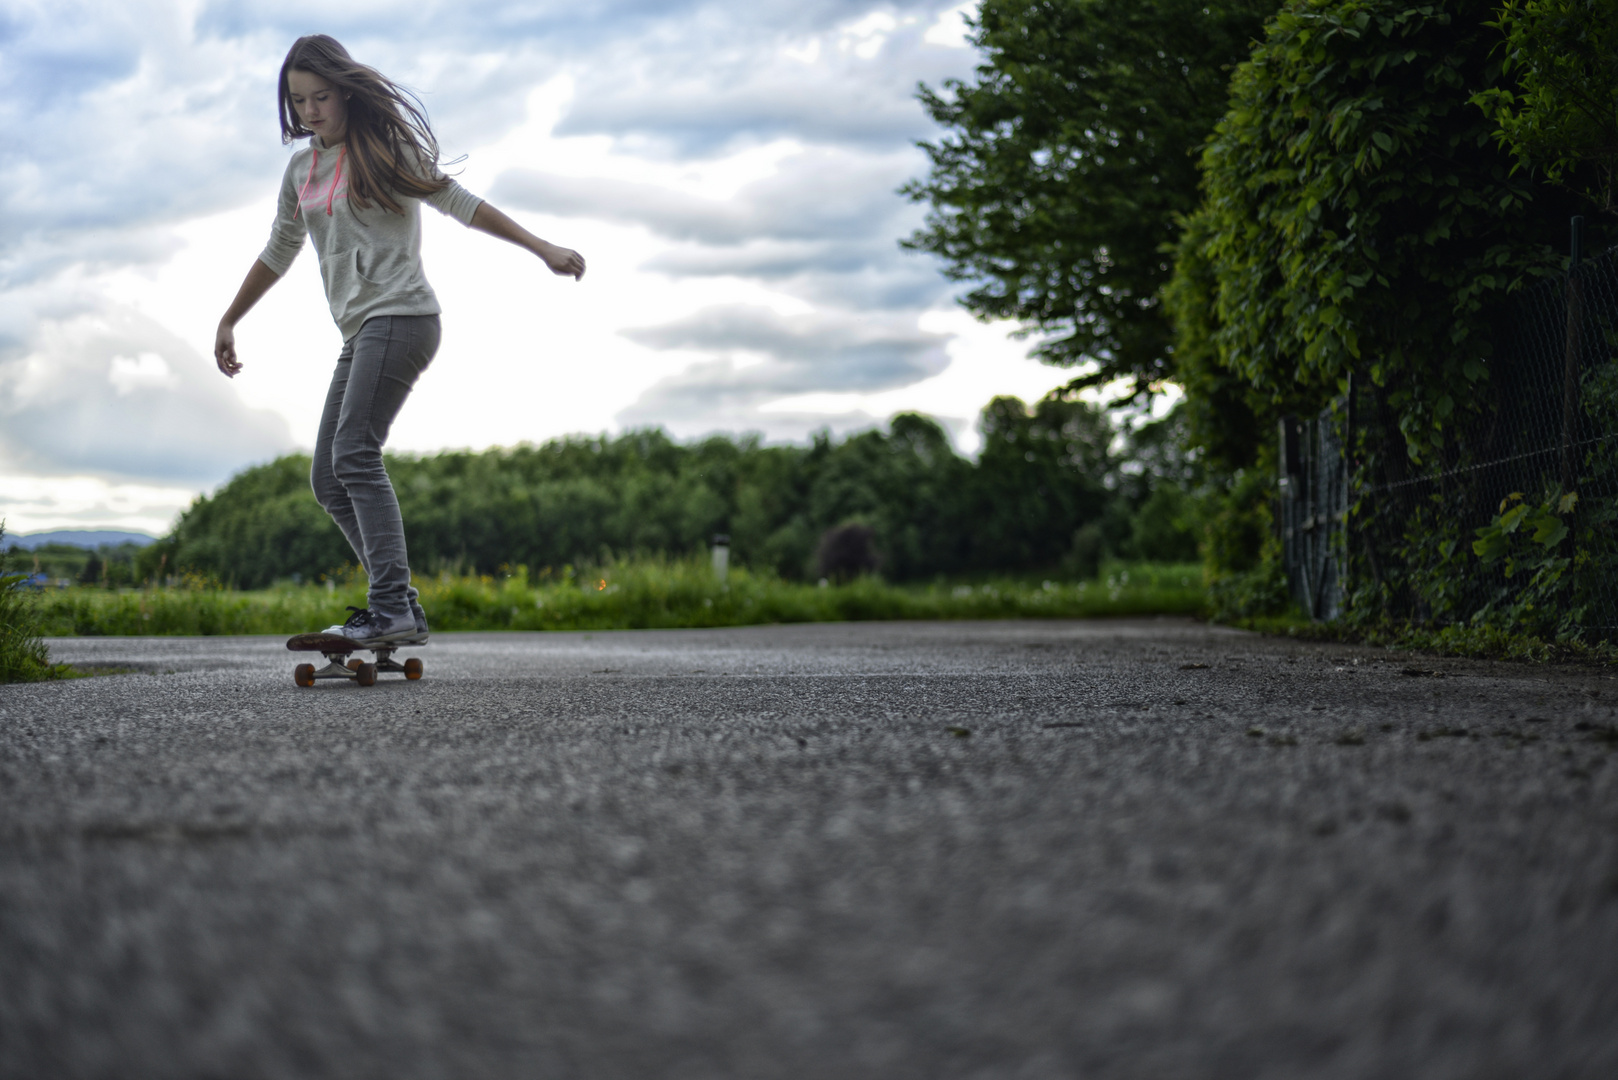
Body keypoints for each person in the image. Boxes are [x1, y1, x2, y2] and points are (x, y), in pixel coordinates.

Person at [214, 34, 583, 646]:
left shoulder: (384, 149)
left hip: (402, 316)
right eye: (298, 100)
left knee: (354, 453)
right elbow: (279, 249)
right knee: (329, 480)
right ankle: (400, 606)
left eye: (322, 97)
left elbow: (456, 200)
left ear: (346, 91)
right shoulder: (301, 170)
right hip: (361, 330)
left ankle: (388, 609)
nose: (310, 111)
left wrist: (541, 247)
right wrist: (230, 318)